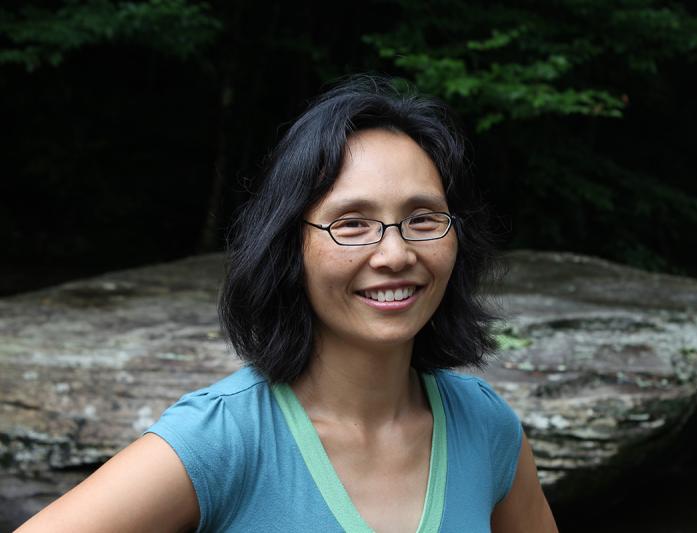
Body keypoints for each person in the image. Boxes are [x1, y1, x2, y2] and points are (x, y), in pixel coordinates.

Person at [17, 76, 558, 532]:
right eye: (352, 224)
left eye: (423, 218)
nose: (395, 253)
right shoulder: (225, 438)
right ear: (289, 246)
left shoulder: (486, 427)